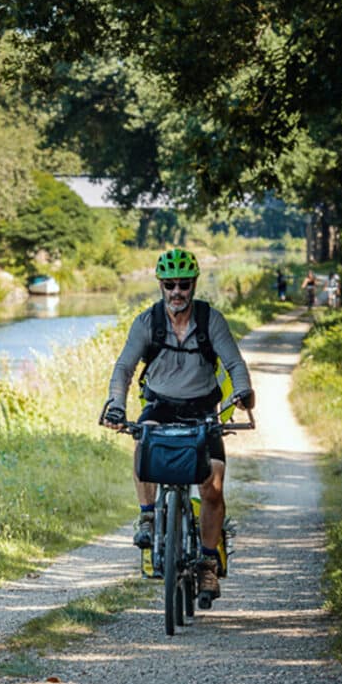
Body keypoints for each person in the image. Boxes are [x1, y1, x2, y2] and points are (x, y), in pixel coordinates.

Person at [100, 249, 255, 608]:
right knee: (143, 440)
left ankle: (206, 563)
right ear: (160, 285)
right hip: (161, 404)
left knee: (213, 484)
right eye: (169, 285)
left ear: (194, 285)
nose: (176, 292)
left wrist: (244, 393)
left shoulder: (210, 320)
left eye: (183, 285)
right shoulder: (147, 322)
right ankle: (148, 517)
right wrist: (117, 405)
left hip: (203, 409)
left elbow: (234, 364)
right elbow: (124, 368)